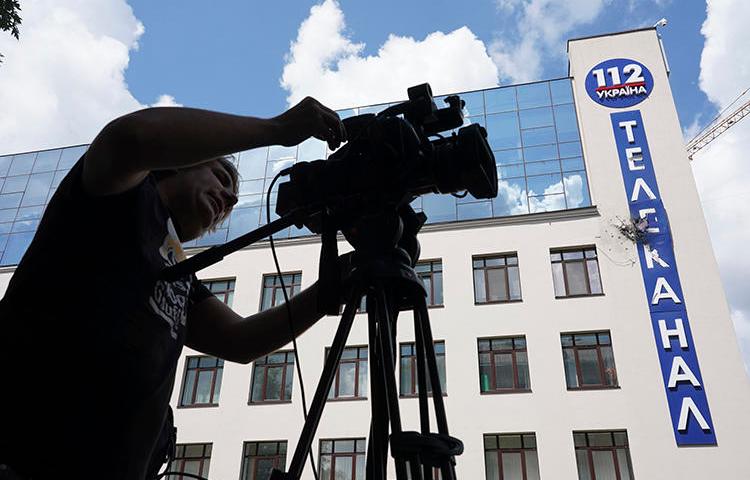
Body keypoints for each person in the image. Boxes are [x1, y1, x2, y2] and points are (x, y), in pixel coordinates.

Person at [0, 98, 347, 480]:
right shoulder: (115, 197)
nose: (230, 198)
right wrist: (277, 129)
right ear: (177, 164)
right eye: (220, 177)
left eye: (232, 199)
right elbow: (130, 137)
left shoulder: (181, 271)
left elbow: (241, 340)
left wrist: (335, 287)